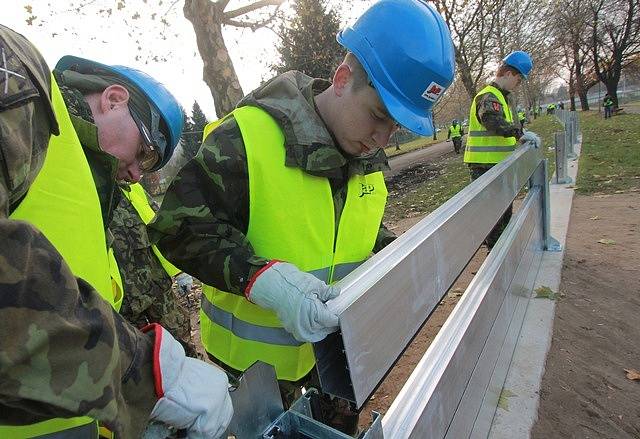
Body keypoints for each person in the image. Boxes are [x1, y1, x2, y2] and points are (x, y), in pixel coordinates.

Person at [148, 0, 455, 434]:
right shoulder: (247, 138)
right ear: (343, 79)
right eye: (379, 116)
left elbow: (352, 234)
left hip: (338, 368)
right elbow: (178, 228)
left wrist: (395, 259)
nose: (383, 138)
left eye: (397, 127)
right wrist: (259, 278)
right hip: (257, 382)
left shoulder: (366, 157)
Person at [0, 26, 232, 438]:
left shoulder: (90, 174)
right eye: (145, 153)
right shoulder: (21, 86)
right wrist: (137, 371)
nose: (137, 174)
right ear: (113, 99)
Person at [463, 50, 539, 249]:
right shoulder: (489, 96)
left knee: (502, 214)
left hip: (496, 165)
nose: (519, 83)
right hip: (485, 167)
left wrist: (519, 133)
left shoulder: (502, 97)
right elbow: (492, 121)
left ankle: (501, 256)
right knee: (494, 217)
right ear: (508, 74)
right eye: (519, 79)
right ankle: (495, 260)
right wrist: (519, 133)